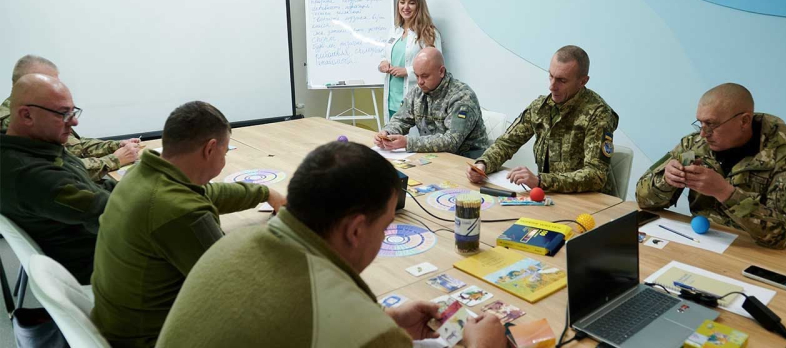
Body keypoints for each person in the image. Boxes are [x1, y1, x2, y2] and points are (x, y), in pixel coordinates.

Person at [156, 142, 507, 348]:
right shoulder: (354, 322)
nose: (385, 236)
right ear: (355, 230)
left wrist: (384, 321)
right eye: (385, 226)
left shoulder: (237, 241)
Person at [91, 101, 287, 348]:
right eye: (225, 154)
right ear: (210, 149)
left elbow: (205, 193)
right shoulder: (181, 211)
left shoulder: (142, 174)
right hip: (151, 339)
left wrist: (264, 192)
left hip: (118, 323)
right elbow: (236, 287)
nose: (224, 160)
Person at [636, 83, 786, 249]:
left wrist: (724, 192)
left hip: (755, 252)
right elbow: (643, 201)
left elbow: (785, 236)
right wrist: (666, 180)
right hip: (701, 243)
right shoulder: (694, 145)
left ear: (744, 121)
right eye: (700, 123)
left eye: (711, 124)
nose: (703, 133)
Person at [0, 74, 114, 284]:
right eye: (63, 113)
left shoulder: (38, 148)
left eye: (73, 111)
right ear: (26, 115)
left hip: (95, 248)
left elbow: (95, 188)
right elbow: (108, 213)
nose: (75, 121)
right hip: (101, 265)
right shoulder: (31, 174)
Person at [466, 45, 619, 195]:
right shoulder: (541, 107)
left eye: (562, 80)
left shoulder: (598, 114)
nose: (552, 86)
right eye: (551, 76)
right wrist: (483, 164)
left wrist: (541, 181)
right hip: (548, 196)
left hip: (589, 202)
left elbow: (596, 175)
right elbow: (507, 142)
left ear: (582, 81)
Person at [0, 55, 140, 181]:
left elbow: (74, 146)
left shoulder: (37, 111)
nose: (58, 89)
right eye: (49, 85)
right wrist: (115, 160)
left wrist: (114, 145)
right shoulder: (14, 122)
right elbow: (62, 170)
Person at [374, 48, 489, 159]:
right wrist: (387, 133)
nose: (420, 82)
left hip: (466, 161)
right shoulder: (417, 91)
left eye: (425, 76)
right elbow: (401, 120)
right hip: (434, 158)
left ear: (441, 72)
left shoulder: (462, 97)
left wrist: (407, 142)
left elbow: (452, 141)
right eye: (417, 75)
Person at [378, 0, 443, 123]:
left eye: (411, 3)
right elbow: (387, 55)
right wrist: (383, 63)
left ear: (419, 6)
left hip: (415, 96)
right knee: (391, 139)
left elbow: (435, 68)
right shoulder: (394, 30)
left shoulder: (429, 33)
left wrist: (407, 71)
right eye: (402, 2)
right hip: (391, 98)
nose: (405, 7)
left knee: (410, 141)